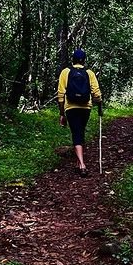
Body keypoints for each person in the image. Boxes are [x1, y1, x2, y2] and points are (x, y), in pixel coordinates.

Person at [57, 48, 103, 176]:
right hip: (85, 107)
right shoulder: (89, 73)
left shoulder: (66, 72)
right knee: (80, 131)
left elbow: (60, 94)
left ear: (73, 59)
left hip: (71, 107)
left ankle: (82, 165)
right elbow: (96, 92)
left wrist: (61, 113)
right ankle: (79, 161)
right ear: (84, 60)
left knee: (76, 133)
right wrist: (99, 103)